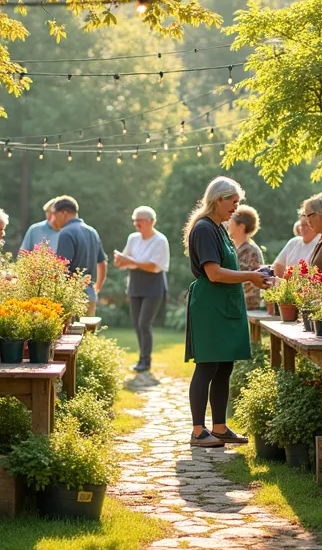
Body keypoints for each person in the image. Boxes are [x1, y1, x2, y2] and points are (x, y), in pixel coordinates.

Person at [184, 177, 273, 448]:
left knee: (224, 366)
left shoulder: (219, 228)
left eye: (238, 202)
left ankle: (219, 427)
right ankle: (198, 431)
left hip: (223, 304)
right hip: (210, 306)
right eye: (233, 202)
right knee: (208, 365)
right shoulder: (203, 229)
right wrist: (251, 276)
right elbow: (213, 273)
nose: (236, 207)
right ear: (218, 199)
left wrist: (254, 274)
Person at [114, 206, 170, 373]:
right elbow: (121, 263)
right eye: (135, 220)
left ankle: (146, 361)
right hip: (135, 284)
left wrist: (131, 261)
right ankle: (142, 358)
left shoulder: (160, 240)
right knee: (137, 325)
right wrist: (123, 260)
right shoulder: (133, 238)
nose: (136, 223)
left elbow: (154, 267)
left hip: (153, 286)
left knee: (144, 324)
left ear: (151, 222)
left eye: (140, 220)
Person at [52, 196, 107, 316]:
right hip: (90, 295)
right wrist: (95, 288)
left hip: (72, 298)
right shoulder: (92, 231)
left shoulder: (66, 233)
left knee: (70, 334)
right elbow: (102, 263)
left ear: (63, 213)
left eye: (54, 214)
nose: (53, 219)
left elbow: (61, 267)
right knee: (87, 334)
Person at [228, 204, 265, 310]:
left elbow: (255, 284)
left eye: (231, 221)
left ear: (241, 227)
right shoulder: (231, 248)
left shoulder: (252, 251)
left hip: (246, 307)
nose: (228, 224)